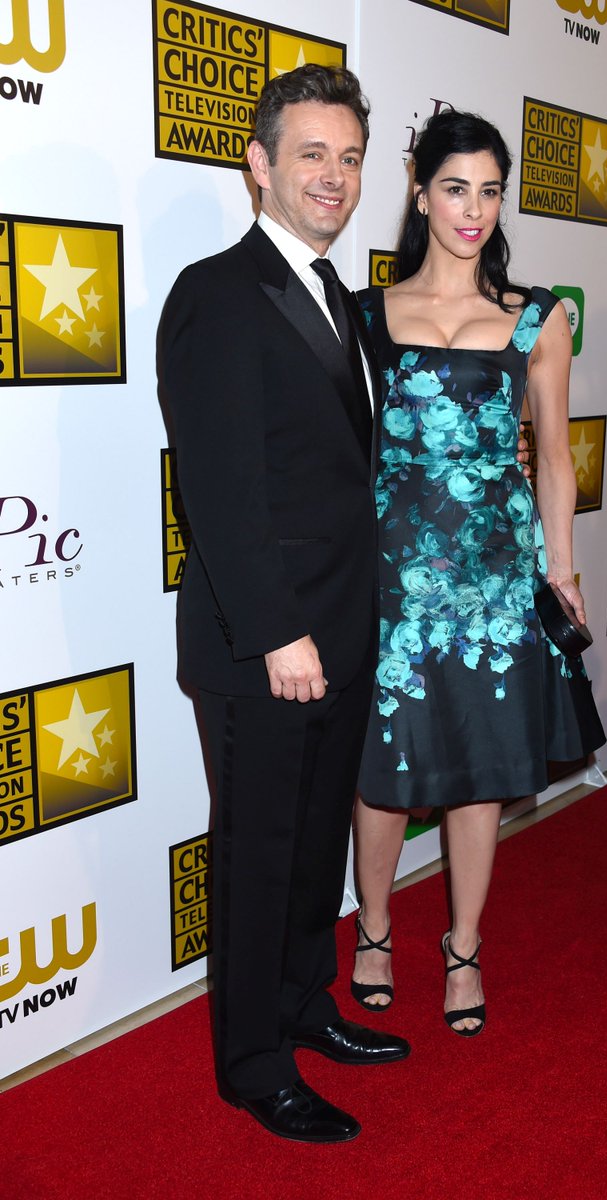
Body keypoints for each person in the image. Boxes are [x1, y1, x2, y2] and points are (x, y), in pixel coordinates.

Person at [159, 64, 411, 1146]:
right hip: (265, 644)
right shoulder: (215, 292)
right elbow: (217, 488)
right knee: (261, 853)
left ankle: (306, 1007)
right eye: (309, 153)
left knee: (313, 847)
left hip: (341, 632)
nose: (332, 176)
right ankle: (251, 1063)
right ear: (256, 164)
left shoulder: (340, 302)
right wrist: (277, 633)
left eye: (348, 157)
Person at [351, 110, 606, 1035]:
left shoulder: (537, 319)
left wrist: (563, 572)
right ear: (419, 191)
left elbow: (555, 457)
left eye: (490, 190)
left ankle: (463, 947)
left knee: (481, 774)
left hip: (497, 581)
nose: (473, 210)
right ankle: (373, 931)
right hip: (392, 579)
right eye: (455, 187)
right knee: (383, 770)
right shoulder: (367, 314)